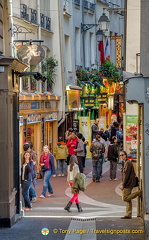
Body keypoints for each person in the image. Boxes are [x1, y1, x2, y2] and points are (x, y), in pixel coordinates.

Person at [119, 150, 142, 219]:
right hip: (128, 182)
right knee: (128, 200)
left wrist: (123, 184)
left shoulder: (128, 163)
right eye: (120, 155)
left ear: (126, 155)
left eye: (122, 155)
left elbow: (127, 175)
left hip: (129, 183)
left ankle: (139, 193)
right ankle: (128, 214)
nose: (121, 156)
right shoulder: (125, 162)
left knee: (125, 198)